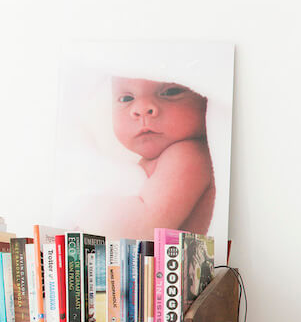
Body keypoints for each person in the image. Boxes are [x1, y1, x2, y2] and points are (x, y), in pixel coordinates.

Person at [82, 78, 216, 239]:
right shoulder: (165, 156)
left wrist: (79, 210)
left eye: (170, 92)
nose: (141, 109)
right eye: (127, 98)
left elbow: (142, 228)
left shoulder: (188, 154)